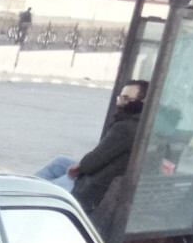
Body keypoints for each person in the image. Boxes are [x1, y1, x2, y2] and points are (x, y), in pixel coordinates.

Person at [34, 80, 149, 215]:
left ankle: (27, 192)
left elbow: (94, 160)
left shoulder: (125, 128)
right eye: (121, 97)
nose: (119, 102)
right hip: (108, 175)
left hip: (93, 188)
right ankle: (29, 185)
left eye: (126, 98)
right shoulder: (141, 124)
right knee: (60, 162)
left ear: (141, 102)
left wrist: (80, 167)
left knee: (43, 189)